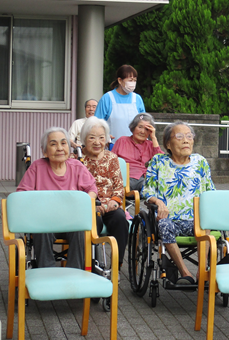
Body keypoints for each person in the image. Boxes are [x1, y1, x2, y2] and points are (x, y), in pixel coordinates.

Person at [141, 121, 214, 286]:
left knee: (206, 221)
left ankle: (202, 271)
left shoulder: (200, 162)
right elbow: (147, 191)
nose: (186, 140)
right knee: (164, 225)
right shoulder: (158, 161)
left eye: (189, 136)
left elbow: (210, 191)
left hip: (195, 221)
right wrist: (158, 202)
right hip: (169, 220)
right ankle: (185, 272)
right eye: (179, 137)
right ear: (168, 143)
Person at [17, 127, 98, 270]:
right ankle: (46, 272)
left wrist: (86, 200)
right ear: (44, 151)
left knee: (81, 230)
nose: (59, 148)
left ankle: (75, 274)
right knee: (41, 229)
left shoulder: (77, 166)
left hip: (73, 220)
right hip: (46, 221)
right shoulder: (37, 167)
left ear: (69, 147)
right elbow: (22, 194)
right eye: (53, 144)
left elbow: (92, 189)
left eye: (63, 143)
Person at [77, 116, 129, 260]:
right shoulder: (76, 159)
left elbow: (119, 186)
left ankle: (116, 266)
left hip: (109, 205)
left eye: (101, 137)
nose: (97, 142)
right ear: (83, 138)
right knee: (95, 221)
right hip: (88, 207)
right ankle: (92, 262)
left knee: (120, 219)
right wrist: (91, 205)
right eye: (92, 138)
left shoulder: (111, 158)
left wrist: (114, 201)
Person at [112, 113, 163, 191]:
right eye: (140, 127)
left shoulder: (151, 144)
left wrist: (153, 138)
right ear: (133, 127)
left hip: (146, 179)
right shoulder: (122, 141)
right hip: (126, 179)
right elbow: (111, 161)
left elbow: (161, 162)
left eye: (147, 129)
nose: (142, 131)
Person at [95, 65, 145, 144]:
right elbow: (96, 123)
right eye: (130, 80)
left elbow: (143, 122)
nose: (133, 83)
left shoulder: (137, 99)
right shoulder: (107, 98)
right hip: (112, 146)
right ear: (120, 80)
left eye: (135, 80)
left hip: (135, 146)